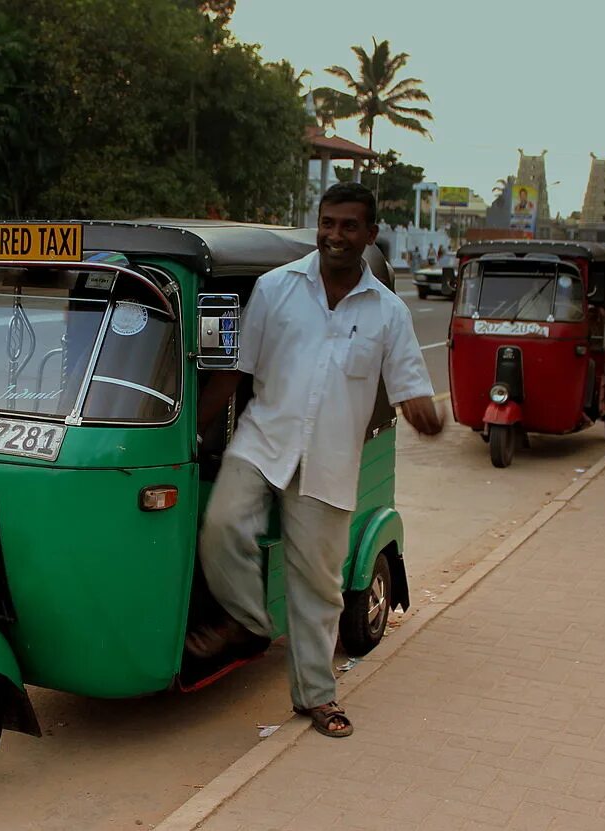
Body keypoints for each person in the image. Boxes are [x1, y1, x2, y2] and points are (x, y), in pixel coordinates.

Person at [187, 183, 444, 738]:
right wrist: (195, 433)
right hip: (262, 441)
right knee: (223, 524)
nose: (335, 235)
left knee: (320, 589)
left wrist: (424, 411)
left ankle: (316, 699)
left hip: (328, 463)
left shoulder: (388, 313)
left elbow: (408, 386)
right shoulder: (275, 289)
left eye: (349, 226)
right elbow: (236, 370)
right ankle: (249, 625)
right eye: (327, 223)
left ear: (370, 235)